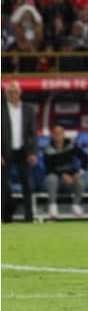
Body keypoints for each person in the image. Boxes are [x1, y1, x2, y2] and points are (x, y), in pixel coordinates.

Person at [1, 82, 38, 223]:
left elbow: (33, 133)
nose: (12, 94)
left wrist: (33, 152)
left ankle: (29, 217)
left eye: (15, 91)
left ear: (20, 93)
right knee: (2, 186)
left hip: (24, 152)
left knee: (27, 185)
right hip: (4, 152)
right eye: (9, 92)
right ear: (5, 94)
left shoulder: (28, 110)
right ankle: (3, 217)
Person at [43, 124, 88, 218]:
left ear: (64, 134)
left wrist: (79, 172)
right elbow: (49, 168)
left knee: (80, 181)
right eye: (56, 133)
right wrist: (63, 175)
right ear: (53, 135)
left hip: (70, 178)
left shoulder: (71, 146)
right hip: (57, 179)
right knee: (51, 178)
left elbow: (85, 157)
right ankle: (53, 207)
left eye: (60, 133)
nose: (58, 135)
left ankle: (76, 206)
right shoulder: (48, 150)